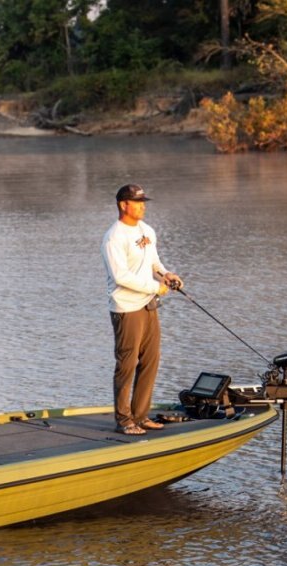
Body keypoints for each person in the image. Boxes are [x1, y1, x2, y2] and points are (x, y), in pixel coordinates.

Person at [101, 183, 184, 435]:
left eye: (143, 202)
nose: (142, 207)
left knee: (150, 360)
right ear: (123, 205)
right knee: (127, 364)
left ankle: (140, 415)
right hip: (127, 309)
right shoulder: (114, 237)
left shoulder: (146, 230)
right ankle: (124, 420)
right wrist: (156, 287)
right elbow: (121, 277)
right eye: (137, 203)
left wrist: (166, 274)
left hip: (149, 304)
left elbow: (153, 262)